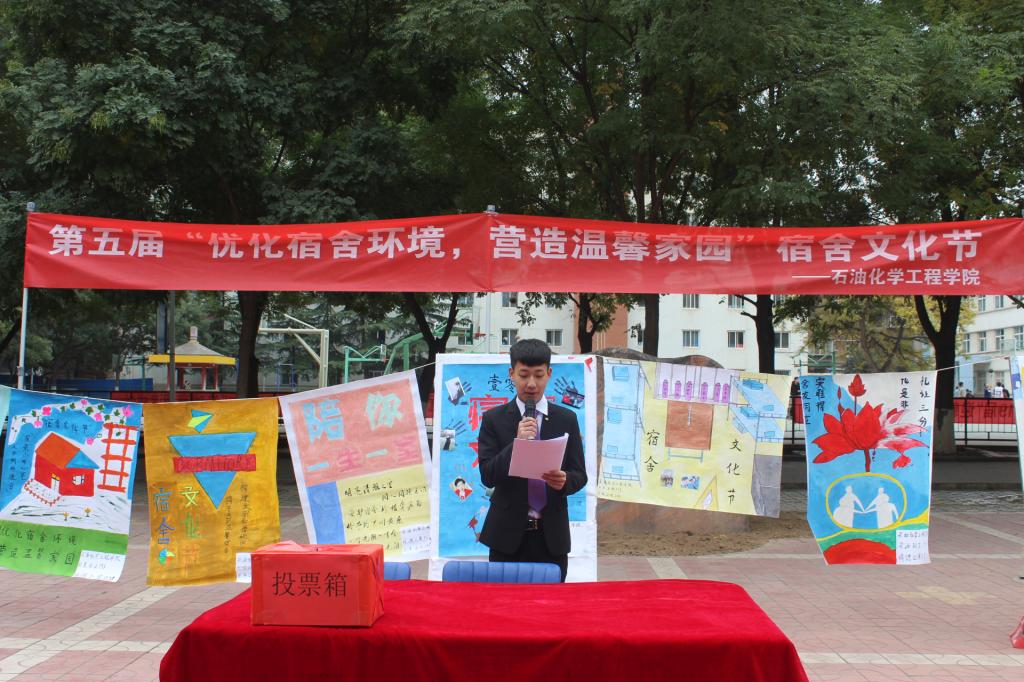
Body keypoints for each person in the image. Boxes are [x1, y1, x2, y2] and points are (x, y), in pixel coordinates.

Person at [478, 338, 587, 582]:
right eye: (524, 375)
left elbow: (580, 474)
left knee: (550, 603)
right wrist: (516, 444)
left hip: (551, 538)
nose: (531, 384)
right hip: (506, 537)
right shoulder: (494, 419)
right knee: (505, 602)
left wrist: (565, 481)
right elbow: (487, 475)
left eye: (538, 375)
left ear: (549, 374)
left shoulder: (566, 419)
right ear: (512, 374)